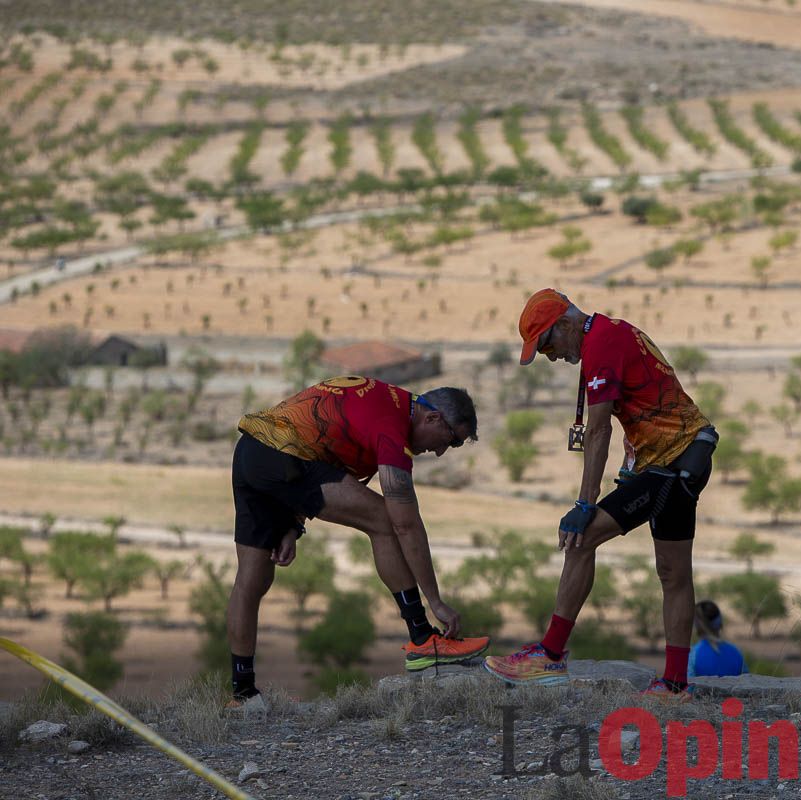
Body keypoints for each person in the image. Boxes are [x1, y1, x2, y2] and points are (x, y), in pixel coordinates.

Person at [484, 289, 718, 699]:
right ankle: (676, 685)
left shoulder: (601, 343)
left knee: (582, 537)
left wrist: (584, 503)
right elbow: (644, 404)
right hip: (686, 455)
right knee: (673, 574)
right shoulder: (608, 333)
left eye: (548, 345)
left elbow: (598, 430)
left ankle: (551, 654)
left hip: (671, 462)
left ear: (566, 323)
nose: (551, 356)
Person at [226, 376, 489, 708]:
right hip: (284, 458)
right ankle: (423, 638)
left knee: (252, 579)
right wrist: (436, 601)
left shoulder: (386, 400)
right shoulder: (392, 426)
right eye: (450, 441)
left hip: (252, 451)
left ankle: (242, 694)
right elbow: (405, 524)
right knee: (384, 520)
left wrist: (293, 524)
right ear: (433, 417)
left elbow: (322, 447)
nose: (439, 452)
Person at [688, 600, 747, 679]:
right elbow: (746, 682)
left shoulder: (692, 655)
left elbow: (687, 688)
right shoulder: (736, 652)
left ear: (697, 624)